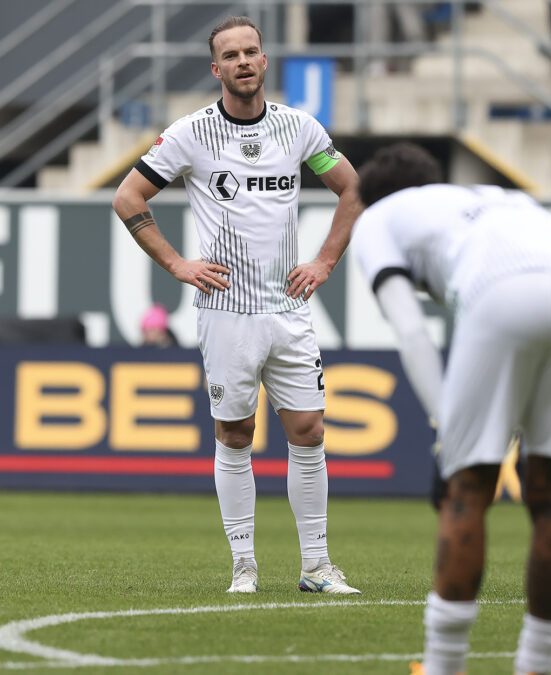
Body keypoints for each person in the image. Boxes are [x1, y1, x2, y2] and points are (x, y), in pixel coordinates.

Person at [112, 16, 363, 595]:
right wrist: (177, 264)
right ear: (216, 68)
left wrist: (324, 260)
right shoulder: (190, 135)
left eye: (252, 51)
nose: (244, 61)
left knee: (309, 429)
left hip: (288, 309)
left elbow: (351, 189)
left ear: (265, 61)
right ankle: (244, 567)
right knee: (234, 434)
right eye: (231, 54)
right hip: (225, 311)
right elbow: (129, 196)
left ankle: (317, 567)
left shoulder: (299, 129)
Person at [351, 143, 551, 675]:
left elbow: (412, 330)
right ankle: (537, 665)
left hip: (499, 293)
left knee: (467, 489)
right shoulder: (488, 196)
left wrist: (448, 432)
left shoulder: (375, 219)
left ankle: (444, 666)